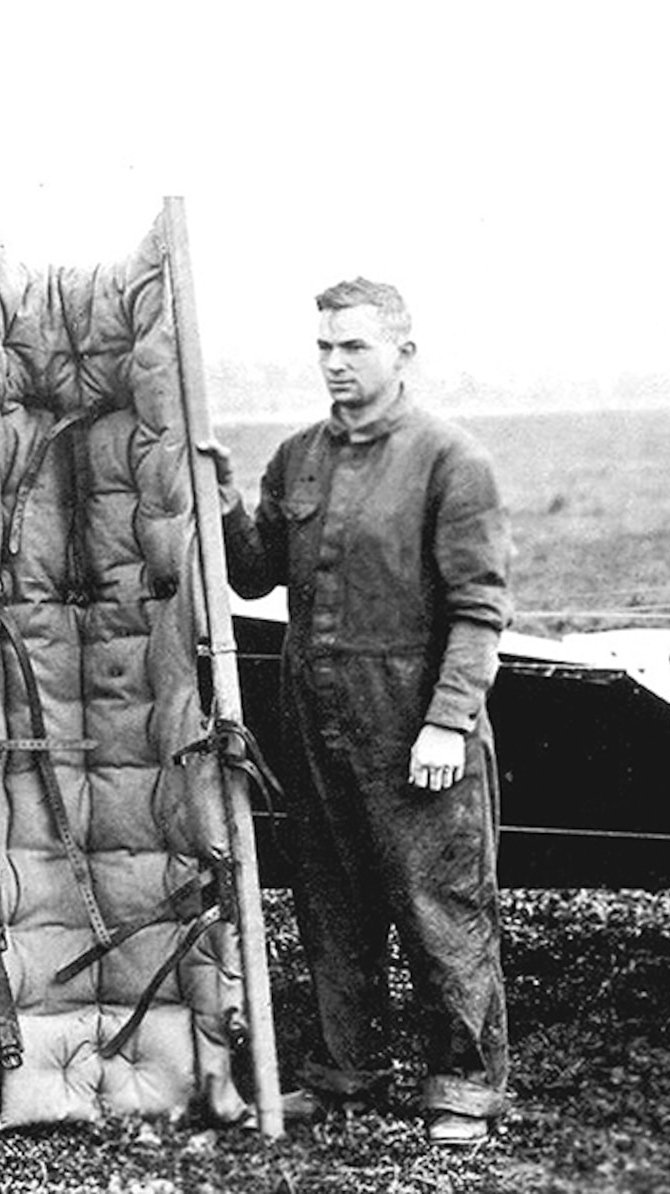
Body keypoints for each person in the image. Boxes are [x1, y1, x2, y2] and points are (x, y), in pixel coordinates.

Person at [207, 279, 512, 1146]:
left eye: (355, 348)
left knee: (439, 902)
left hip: (412, 720)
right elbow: (255, 572)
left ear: (403, 355)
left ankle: (463, 1087)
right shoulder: (299, 456)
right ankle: (348, 1075)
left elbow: (480, 608)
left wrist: (449, 721)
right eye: (325, 348)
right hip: (315, 718)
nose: (335, 364)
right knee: (331, 901)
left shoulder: (453, 462)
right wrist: (225, 500)